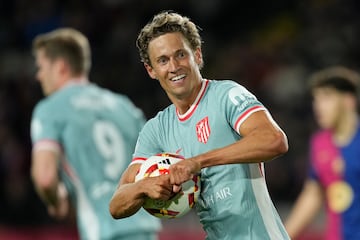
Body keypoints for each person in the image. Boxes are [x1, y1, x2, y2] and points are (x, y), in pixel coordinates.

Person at [109, 11, 290, 240]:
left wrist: (197, 162)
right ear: (151, 70)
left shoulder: (226, 95)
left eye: (180, 55)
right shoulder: (156, 129)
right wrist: (144, 187)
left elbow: (274, 140)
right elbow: (116, 204)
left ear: (197, 55)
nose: (174, 66)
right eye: (163, 60)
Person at [30, 28, 161, 240]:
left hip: (104, 230)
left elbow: (45, 178)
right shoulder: (125, 107)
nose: (38, 76)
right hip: (144, 228)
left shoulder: (51, 109)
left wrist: (57, 202)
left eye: (42, 67)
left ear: (61, 67)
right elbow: (157, 163)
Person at [285, 66, 360, 240]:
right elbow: (314, 193)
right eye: (315, 99)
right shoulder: (320, 143)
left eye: (326, 97)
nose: (318, 106)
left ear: (349, 100)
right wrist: (283, 236)